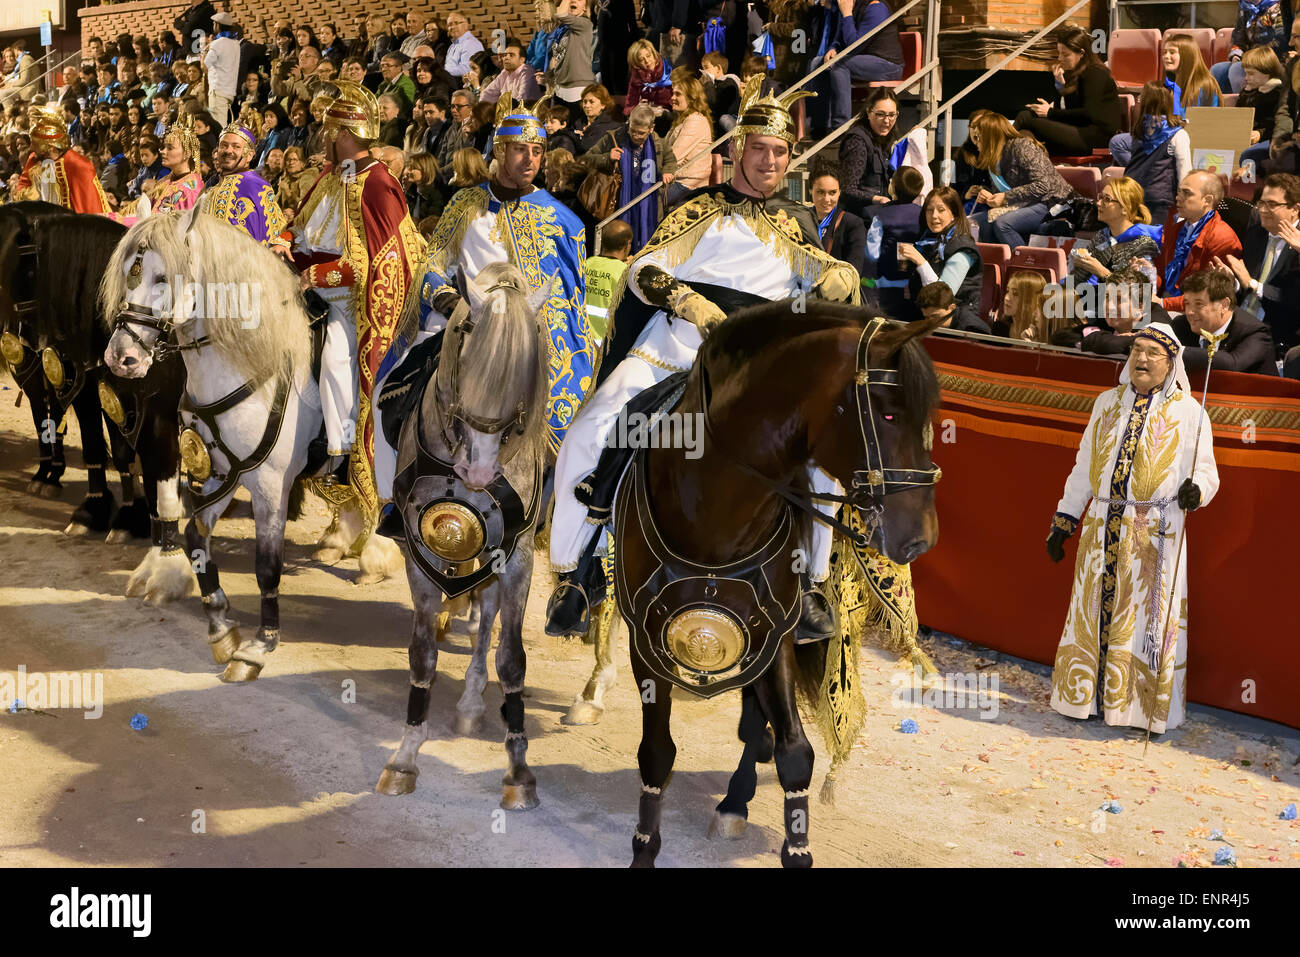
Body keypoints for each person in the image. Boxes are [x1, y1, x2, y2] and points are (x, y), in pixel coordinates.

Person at [544, 78, 861, 640]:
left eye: (780, 151)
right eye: (759, 148)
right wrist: (688, 301)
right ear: (737, 150)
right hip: (669, 351)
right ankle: (576, 571)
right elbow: (641, 271)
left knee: (822, 460)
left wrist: (841, 279)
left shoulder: (797, 225)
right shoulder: (697, 209)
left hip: (754, 371)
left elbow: (827, 285)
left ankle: (810, 586)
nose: (769, 160)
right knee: (591, 430)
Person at [372, 94, 591, 520]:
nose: (529, 159)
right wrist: (449, 299)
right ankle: (393, 498)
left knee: (580, 409)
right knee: (389, 388)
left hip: (528, 336)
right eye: (519, 149)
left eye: (537, 150)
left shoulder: (564, 221)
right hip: (463, 323)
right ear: (500, 150)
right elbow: (431, 264)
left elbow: (570, 300)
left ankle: (555, 511)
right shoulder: (465, 204)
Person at [1046, 323, 1219, 734]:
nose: (1141, 359)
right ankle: (1084, 698)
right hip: (1101, 526)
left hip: (1155, 532)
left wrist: (1198, 492)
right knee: (1091, 614)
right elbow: (1084, 465)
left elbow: (1208, 473)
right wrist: (1064, 520)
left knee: (1144, 621)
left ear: (1171, 362)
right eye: (1136, 350)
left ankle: (1137, 710)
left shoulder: (1190, 412)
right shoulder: (1106, 402)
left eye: (1152, 353)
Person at [291, 81, 426, 520]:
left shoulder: (378, 182)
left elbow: (384, 261)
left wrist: (318, 274)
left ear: (344, 134)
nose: (326, 140)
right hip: (309, 288)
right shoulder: (334, 175)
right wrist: (284, 244)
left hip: (351, 303)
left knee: (334, 361)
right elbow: (302, 225)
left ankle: (343, 454)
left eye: (331, 133)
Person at [1210, 172, 1300, 360]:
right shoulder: (1257, 232)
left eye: (1272, 204)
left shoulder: (1298, 247)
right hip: (1239, 319)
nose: (1263, 210)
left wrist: (1252, 284)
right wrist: (1232, 281)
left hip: (1277, 330)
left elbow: (1292, 301)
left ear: (1295, 209)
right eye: (1261, 202)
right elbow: (1245, 283)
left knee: (1225, 361)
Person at [966, 111, 1073, 248]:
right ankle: (997, 266)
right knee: (977, 222)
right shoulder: (992, 158)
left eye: (979, 137)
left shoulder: (1022, 147)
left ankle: (1025, 264)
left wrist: (1005, 197)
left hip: (1051, 202)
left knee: (1003, 224)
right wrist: (990, 195)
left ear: (990, 136)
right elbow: (1005, 190)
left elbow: (1043, 185)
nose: (976, 141)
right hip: (1023, 204)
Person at [579, 103, 677, 252]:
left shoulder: (659, 143)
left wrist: (667, 171)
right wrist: (607, 157)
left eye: (641, 133)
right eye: (632, 131)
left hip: (650, 203)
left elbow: (670, 160)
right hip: (619, 201)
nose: (636, 136)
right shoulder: (614, 137)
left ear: (651, 128)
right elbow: (588, 158)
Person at [1016, 26, 1123, 156]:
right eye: (1059, 53)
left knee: (1025, 118)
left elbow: (1088, 113)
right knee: (1026, 134)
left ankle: (993, 156)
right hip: (1081, 130)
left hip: (1096, 137)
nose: (1060, 58)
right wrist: (1061, 87)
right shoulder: (1074, 73)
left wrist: (1050, 113)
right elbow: (1072, 110)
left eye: (1065, 54)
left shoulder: (1095, 73)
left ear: (1081, 53)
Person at [808, 0, 904, 135]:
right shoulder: (852, 7)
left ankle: (841, 127)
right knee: (818, 63)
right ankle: (820, 126)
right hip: (862, 61)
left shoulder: (876, 8)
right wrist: (833, 48)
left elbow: (855, 45)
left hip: (888, 65)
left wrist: (846, 14)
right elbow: (839, 38)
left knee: (839, 64)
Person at [898, 186, 986, 332]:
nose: (934, 216)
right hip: (924, 316)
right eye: (929, 210)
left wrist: (920, 262)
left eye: (941, 210)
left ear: (954, 213)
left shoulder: (963, 249)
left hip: (954, 323)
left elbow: (942, 297)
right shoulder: (925, 239)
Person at [838, 87, 931, 217]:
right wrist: (876, 198)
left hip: (879, 214)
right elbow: (848, 189)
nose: (887, 121)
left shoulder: (884, 137)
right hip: (858, 218)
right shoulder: (857, 141)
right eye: (880, 114)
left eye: (892, 115)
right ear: (869, 112)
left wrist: (910, 140)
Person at [197, 122, 291, 249]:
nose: (228, 151)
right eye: (224, 145)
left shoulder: (257, 186)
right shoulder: (211, 184)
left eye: (236, 147)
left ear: (250, 155)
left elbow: (274, 232)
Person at [1158, 170, 1242, 312]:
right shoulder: (1177, 228)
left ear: (1207, 201)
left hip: (1191, 313)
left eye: (1186, 193)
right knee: (1119, 300)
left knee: (1127, 314)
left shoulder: (1222, 238)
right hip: (1167, 302)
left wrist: (1161, 303)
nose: (1178, 198)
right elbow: (1160, 270)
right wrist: (1147, 286)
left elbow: (1206, 297)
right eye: (1179, 192)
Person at [1111, 82, 1189, 227]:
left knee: (1131, 241)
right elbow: (1185, 171)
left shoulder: (1140, 128)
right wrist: (1183, 200)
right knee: (1151, 244)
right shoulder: (1178, 134)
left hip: (1131, 192)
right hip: (1158, 200)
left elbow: (1117, 144)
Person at [1174, 269, 1278, 375]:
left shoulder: (1255, 333)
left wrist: (1174, 351)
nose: (1190, 312)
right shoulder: (1181, 326)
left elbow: (1232, 364)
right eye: (1187, 303)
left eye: (1199, 304)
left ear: (1224, 305)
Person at [9, 105, 110, 214]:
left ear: (49, 147)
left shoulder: (78, 165)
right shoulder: (34, 159)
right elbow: (21, 191)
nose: (31, 148)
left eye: (35, 144)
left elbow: (88, 209)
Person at [1071, 176, 1163, 287]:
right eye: (1100, 197)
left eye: (1107, 199)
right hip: (1100, 299)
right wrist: (1081, 266)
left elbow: (1137, 294)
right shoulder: (1102, 237)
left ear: (1125, 208)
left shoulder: (1143, 244)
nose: (1098, 203)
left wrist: (1103, 273)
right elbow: (1077, 279)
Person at [863, 164, 925, 313]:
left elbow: (872, 253)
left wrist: (866, 283)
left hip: (884, 284)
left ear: (893, 187)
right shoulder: (924, 214)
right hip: (916, 283)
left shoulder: (878, 214)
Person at [1078, 266, 1171, 357]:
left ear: (1141, 306)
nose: (1110, 307)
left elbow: (1150, 343)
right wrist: (1131, 338)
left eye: (1119, 299)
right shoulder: (1108, 317)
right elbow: (1072, 336)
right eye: (1107, 297)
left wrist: (1122, 340)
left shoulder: (1158, 320)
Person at [1212, 0, 1287, 94]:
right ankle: (1223, 107)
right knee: (1218, 70)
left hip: (1272, 59)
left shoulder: (1279, 6)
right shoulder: (1245, 6)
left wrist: (1254, 59)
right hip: (1250, 59)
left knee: (1236, 69)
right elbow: (1238, 37)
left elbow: (1280, 41)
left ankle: (1243, 104)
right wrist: (1236, 55)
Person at [539, 0, 596, 124]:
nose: (573, 1)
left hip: (578, 89)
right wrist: (548, 76)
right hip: (560, 89)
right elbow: (560, 57)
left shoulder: (585, 25)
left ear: (585, 8)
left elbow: (561, 14)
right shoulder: (562, 31)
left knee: (575, 131)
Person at [662, 73, 713, 207]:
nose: (672, 98)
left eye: (678, 94)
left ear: (691, 98)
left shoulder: (696, 120)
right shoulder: (683, 119)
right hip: (676, 180)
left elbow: (673, 156)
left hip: (687, 184)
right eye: (673, 93)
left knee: (645, 203)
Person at [810, 162, 866, 277]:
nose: (826, 199)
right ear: (810, 190)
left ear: (840, 192)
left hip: (836, 291)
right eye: (820, 192)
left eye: (832, 193)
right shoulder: (800, 220)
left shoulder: (852, 224)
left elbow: (854, 270)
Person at [585, 218, 634, 342]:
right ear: (627, 244)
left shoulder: (586, 264)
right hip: (605, 345)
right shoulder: (625, 272)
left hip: (581, 341)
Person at [146, 116, 206, 213]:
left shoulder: (189, 189)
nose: (162, 151)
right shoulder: (164, 182)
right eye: (163, 147)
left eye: (170, 148)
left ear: (187, 153)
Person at [204, 12, 240, 126]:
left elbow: (204, 66)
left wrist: (205, 49)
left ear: (217, 25)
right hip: (229, 91)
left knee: (218, 127)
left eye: (214, 23)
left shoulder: (217, 43)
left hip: (218, 90)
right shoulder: (236, 43)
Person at [481, 38, 542, 105]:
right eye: (505, 55)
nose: (505, 58)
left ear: (522, 59)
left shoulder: (527, 72)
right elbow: (487, 94)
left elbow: (522, 100)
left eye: (511, 55)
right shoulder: (504, 73)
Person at [624, 39, 673, 118]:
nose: (647, 61)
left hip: (667, 112)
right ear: (636, 63)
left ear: (654, 54)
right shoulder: (637, 76)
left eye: (648, 56)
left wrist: (661, 108)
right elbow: (631, 101)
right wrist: (638, 107)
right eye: (641, 60)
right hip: (646, 113)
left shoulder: (667, 70)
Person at [575, 83, 620, 151]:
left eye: (591, 102)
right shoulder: (578, 123)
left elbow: (589, 147)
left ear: (603, 105)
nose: (587, 105)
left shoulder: (609, 127)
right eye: (585, 101)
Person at [444, 12, 485, 82]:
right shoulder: (452, 46)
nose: (452, 27)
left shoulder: (471, 43)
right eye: (449, 24)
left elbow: (466, 70)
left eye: (456, 23)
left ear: (466, 25)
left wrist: (443, 72)